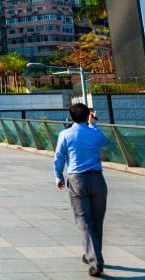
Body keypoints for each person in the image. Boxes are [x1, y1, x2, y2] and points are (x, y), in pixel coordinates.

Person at [54, 103, 110, 277]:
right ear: (88, 115)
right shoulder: (94, 132)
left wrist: (58, 176)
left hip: (78, 179)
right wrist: (92, 124)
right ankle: (91, 255)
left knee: (84, 220)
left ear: (71, 117)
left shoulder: (65, 134)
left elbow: (59, 158)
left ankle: (95, 259)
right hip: (98, 179)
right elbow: (105, 143)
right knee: (97, 220)